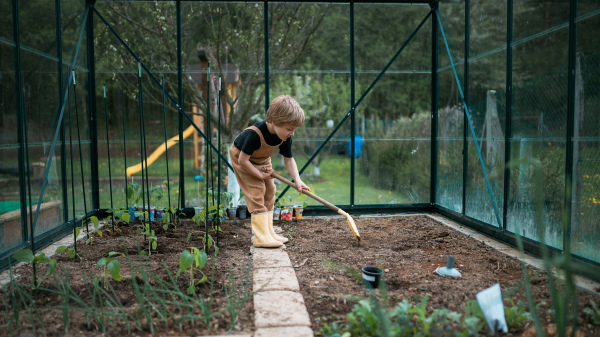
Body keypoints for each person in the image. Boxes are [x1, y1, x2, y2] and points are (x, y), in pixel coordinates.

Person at [229, 95, 310, 248]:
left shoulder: (285, 136)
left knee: (270, 190)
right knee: (256, 190)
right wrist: (259, 174)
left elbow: (289, 159)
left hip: (262, 159)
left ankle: (269, 232)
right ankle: (260, 238)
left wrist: (298, 181)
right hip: (243, 159)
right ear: (274, 122)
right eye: (289, 129)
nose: (292, 133)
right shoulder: (253, 135)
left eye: (294, 129)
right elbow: (242, 160)